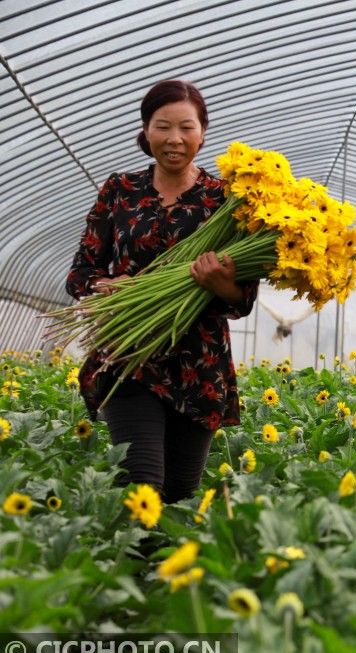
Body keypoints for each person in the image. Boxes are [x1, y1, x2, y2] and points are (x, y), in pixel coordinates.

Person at [65, 80, 257, 503]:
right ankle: (125, 566)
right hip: (127, 354)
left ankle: (163, 571)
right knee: (141, 487)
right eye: (162, 126)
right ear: (145, 130)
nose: (174, 139)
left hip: (199, 365)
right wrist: (107, 284)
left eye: (186, 128)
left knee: (178, 499)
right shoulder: (119, 191)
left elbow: (243, 299)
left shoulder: (228, 200)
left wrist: (218, 282)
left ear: (203, 132)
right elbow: (80, 274)